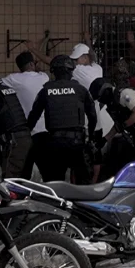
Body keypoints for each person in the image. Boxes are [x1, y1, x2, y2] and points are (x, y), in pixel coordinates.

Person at [26, 55, 98, 183]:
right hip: (77, 144)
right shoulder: (80, 90)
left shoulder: (46, 91)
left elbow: (33, 117)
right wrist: (90, 137)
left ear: (54, 72)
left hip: (55, 144)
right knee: (84, 186)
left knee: (56, 185)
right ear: (70, 71)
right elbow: (92, 116)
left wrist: (25, 137)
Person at [0, 44, 50, 178]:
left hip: (26, 133)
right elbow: (39, 71)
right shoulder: (44, 77)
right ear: (32, 64)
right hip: (44, 132)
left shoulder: (14, 79)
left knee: (24, 172)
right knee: (47, 172)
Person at [89, 77, 135, 178]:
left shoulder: (124, 94)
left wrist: (123, 125)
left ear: (106, 91)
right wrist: (105, 139)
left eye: (100, 97)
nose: (100, 101)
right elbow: (118, 125)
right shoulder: (113, 104)